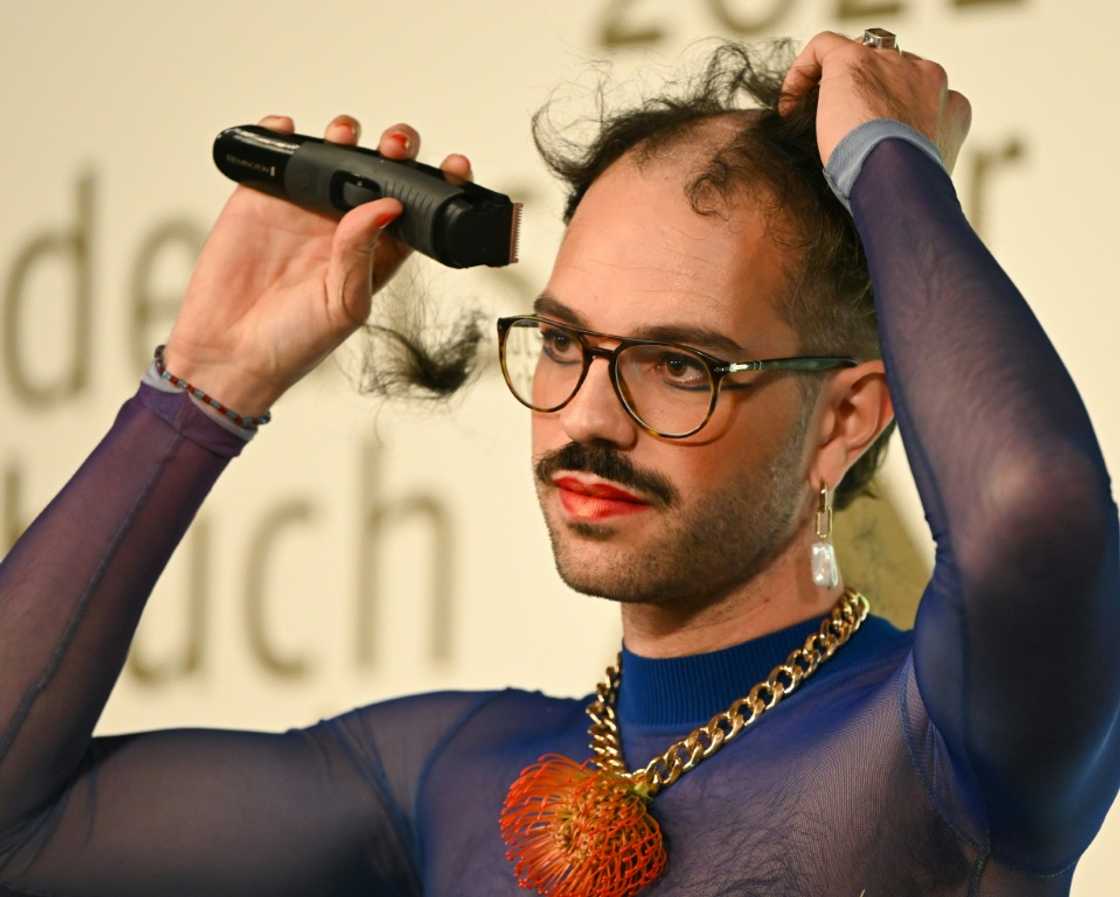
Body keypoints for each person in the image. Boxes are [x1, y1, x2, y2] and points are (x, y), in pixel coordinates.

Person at [0, 28, 1117, 897]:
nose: (589, 412)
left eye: (680, 364)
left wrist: (886, 157)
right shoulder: (445, 775)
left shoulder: (942, 742)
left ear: (845, 420)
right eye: (568, 343)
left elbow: (1037, 509)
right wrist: (203, 387)